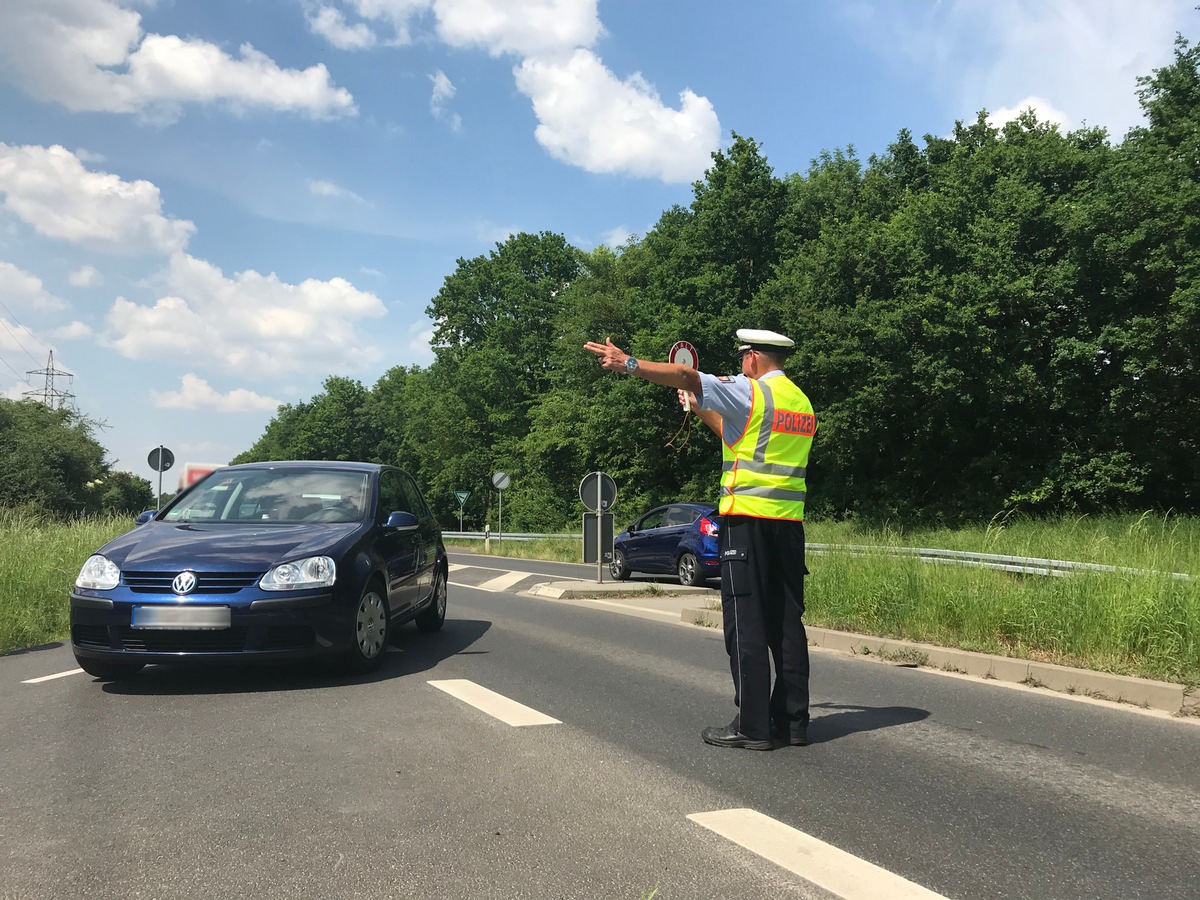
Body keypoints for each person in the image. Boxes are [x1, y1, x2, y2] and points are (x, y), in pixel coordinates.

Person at [584, 330, 815, 751]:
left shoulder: (751, 391)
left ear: (755, 359)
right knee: (786, 627)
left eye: (744, 355)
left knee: (744, 626)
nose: (741, 362)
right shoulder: (800, 403)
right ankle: (793, 722)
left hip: (747, 524)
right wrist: (700, 407)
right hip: (788, 527)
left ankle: (752, 726)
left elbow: (687, 375)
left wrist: (628, 363)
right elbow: (737, 438)